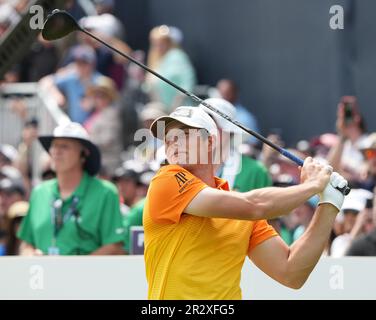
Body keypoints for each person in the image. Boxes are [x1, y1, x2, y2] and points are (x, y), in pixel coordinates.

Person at [144, 106, 348, 299]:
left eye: (185, 135)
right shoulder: (166, 180)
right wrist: (312, 186)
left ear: (210, 142)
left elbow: (291, 273)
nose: (174, 144)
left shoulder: (239, 210)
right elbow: (255, 206)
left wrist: (329, 204)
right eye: (169, 140)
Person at [17, 122, 125, 255]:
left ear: (83, 155)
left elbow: (114, 246)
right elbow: (26, 243)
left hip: (89, 275)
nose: (56, 151)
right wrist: (31, 256)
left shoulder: (106, 192)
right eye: (54, 146)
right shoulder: (39, 192)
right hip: (42, 275)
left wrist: (73, 271)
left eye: (64, 146)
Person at [145, 25, 196, 112]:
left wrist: (174, 108)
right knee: (158, 124)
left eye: (162, 43)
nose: (158, 46)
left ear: (168, 42)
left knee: (175, 125)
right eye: (155, 43)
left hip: (180, 110)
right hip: (161, 110)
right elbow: (148, 86)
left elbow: (187, 83)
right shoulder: (155, 60)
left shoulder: (177, 56)